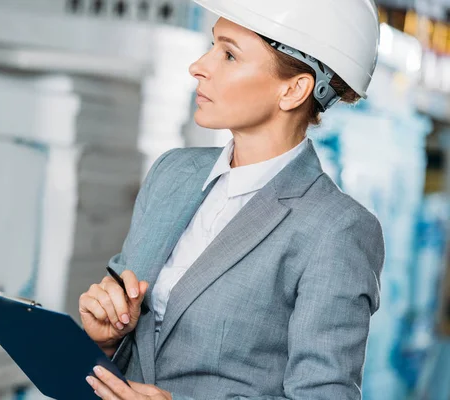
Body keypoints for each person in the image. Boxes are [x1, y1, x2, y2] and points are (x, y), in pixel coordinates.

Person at [79, 0, 384, 399]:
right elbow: (135, 348)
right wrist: (107, 339)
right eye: (212, 47)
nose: (199, 66)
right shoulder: (173, 173)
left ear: (293, 89)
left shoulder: (336, 229)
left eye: (228, 54)